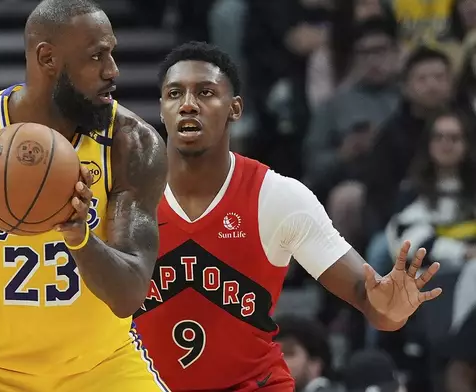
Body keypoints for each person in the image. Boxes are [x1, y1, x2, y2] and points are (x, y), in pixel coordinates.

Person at [0, 1, 168, 391]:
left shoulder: (130, 144)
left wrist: (80, 238)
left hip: (101, 365)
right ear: (47, 57)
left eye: (112, 53)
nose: (112, 71)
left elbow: (129, 296)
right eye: (96, 56)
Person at [133, 41, 442, 392]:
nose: (188, 104)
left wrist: (390, 306)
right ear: (161, 108)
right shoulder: (124, 195)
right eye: (175, 93)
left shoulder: (277, 196)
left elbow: (366, 294)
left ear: (235, 109)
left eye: (205, 92)